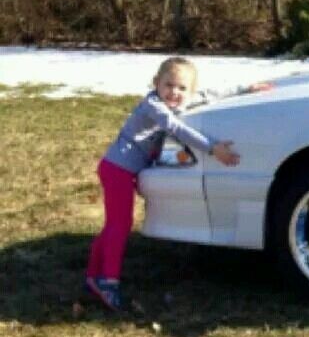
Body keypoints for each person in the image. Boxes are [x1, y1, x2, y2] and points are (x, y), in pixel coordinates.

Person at [84, 56, 271, 311]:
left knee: (114, 224)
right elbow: (175, 127)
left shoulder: (180, 99)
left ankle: (93, 275)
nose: (174, 92)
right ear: (156, 83)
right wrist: (212, 148)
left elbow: (208, 94)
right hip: (118, 169)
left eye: (182, 88)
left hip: (122, 169)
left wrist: (245, 89)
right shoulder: (154, 105)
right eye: (168, 85)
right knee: (120, 225)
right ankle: (108, 282)